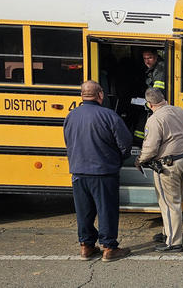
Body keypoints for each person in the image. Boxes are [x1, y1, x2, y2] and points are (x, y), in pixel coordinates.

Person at [63, 80, 133, 262]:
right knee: (106, 210)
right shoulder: (109, 116)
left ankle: (86, 246)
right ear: (100, 95)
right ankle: (109, 248)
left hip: (78, 171)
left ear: (82, 95)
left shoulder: (71, 116)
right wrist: (118, 159)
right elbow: (125, 143)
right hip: (103, 172)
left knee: (84, 211)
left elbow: (68, 141)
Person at [135, 88, 183, 252]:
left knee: (169, 204)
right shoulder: (179, 110)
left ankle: (173, 242)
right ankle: (167, 232)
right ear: (164, 99)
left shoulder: (155, 119)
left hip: (169, 166)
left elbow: (151, 147)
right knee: (177, 200)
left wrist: (140, 160)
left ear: (149, 104)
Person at [133, 48, 165, 143]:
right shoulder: (154, 67)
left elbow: (157, 92)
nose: (147, 61)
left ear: (156, 57)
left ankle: (140, 142)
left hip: (156, 104)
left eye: (149, 58)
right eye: (144, 58)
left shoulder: (160, 69)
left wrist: (147, 102)